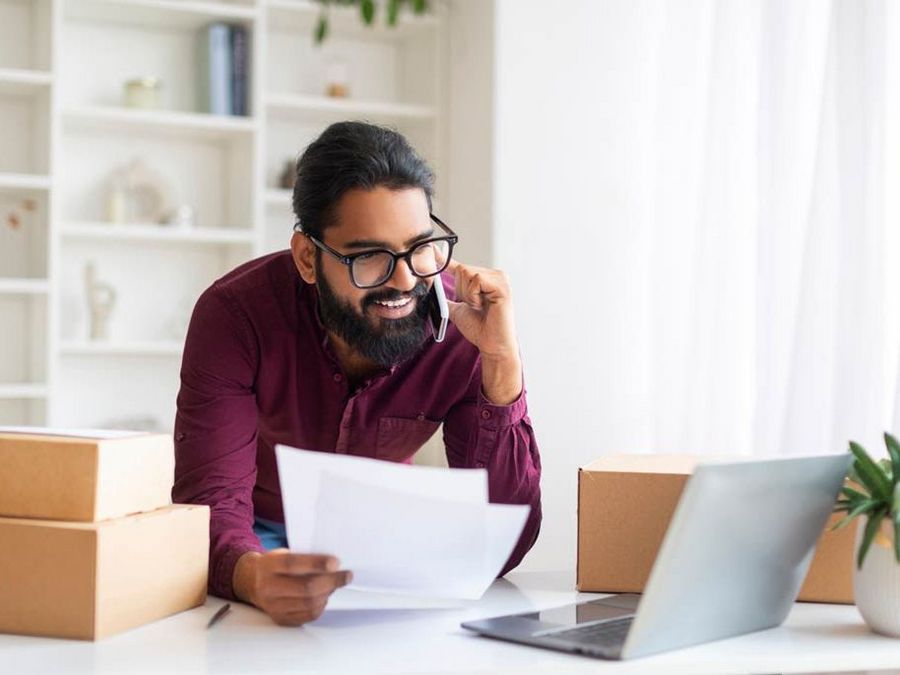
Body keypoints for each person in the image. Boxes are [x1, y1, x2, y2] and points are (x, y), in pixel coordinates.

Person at [172, 121, 541, 626]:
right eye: (370, 256)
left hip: (382, 544)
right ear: (307, 257)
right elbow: (209, 502)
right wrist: (252, 574)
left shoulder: (466, 324)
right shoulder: (235, 315)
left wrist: (502, 363)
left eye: (419, 248)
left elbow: (506, 544)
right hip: (253, 535)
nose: (406, 280)